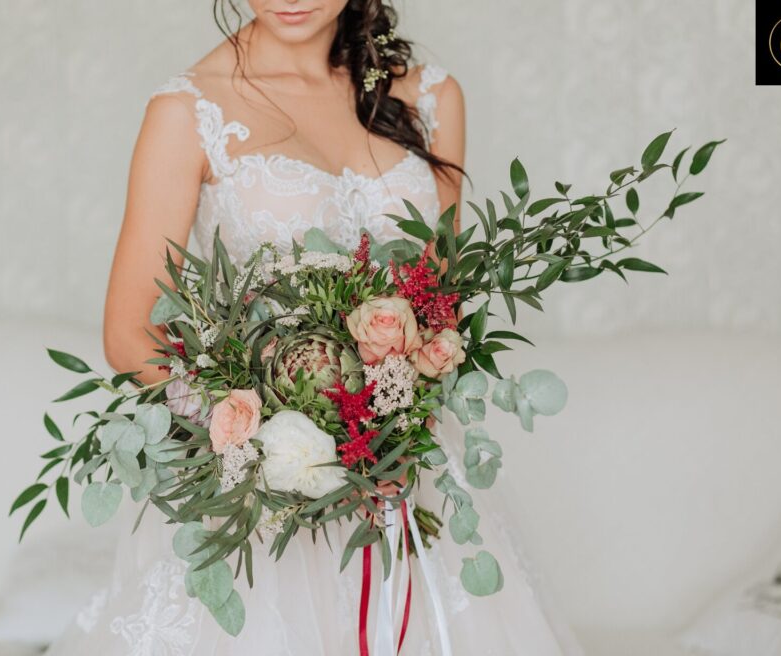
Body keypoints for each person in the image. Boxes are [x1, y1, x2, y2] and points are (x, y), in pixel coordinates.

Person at [46, 2, 585, 654]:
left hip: (405, 469)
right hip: (263, 495)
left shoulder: (432, 96)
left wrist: (395, 421)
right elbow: (130, 332)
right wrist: (269, 433)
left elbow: (441, 301)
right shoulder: (189, 111)